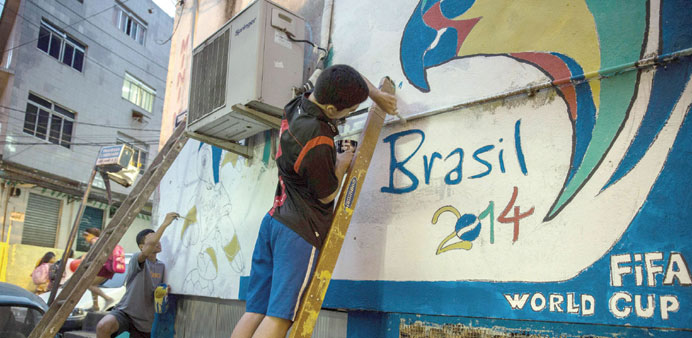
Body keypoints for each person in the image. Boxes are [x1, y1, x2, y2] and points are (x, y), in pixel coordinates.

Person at [231, 65, 397, 338]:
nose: (349, 113)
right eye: (348, 109)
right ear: (331, 110)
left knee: (255, 311)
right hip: (298, 233)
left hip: (273, 221)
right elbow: (327, 194)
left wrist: (375, 93)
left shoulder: (298, 103)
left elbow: (342, 73)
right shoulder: (318, 138)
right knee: (279, 318)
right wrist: (343, 162)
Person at [95, 212, 179, 338]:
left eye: (158, 239)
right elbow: (148, 249)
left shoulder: (162, 266)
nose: (157, 242)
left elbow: (154, 290)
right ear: (141, 247)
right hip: (125, 311)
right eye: (152, 239)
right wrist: (165, 224)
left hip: (145, 320)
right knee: (103, 326)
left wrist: (162, 291)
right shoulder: (137, 259)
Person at [82, 227, 115, 311]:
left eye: (85, 236)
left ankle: (108, 299)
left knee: (88, 284)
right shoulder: (100, 240)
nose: (85, 239)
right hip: (107, 266)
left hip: (103, 267)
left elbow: (95, 255)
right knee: (94, 285)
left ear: (89, 235)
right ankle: (95, 306)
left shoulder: (95, 241)